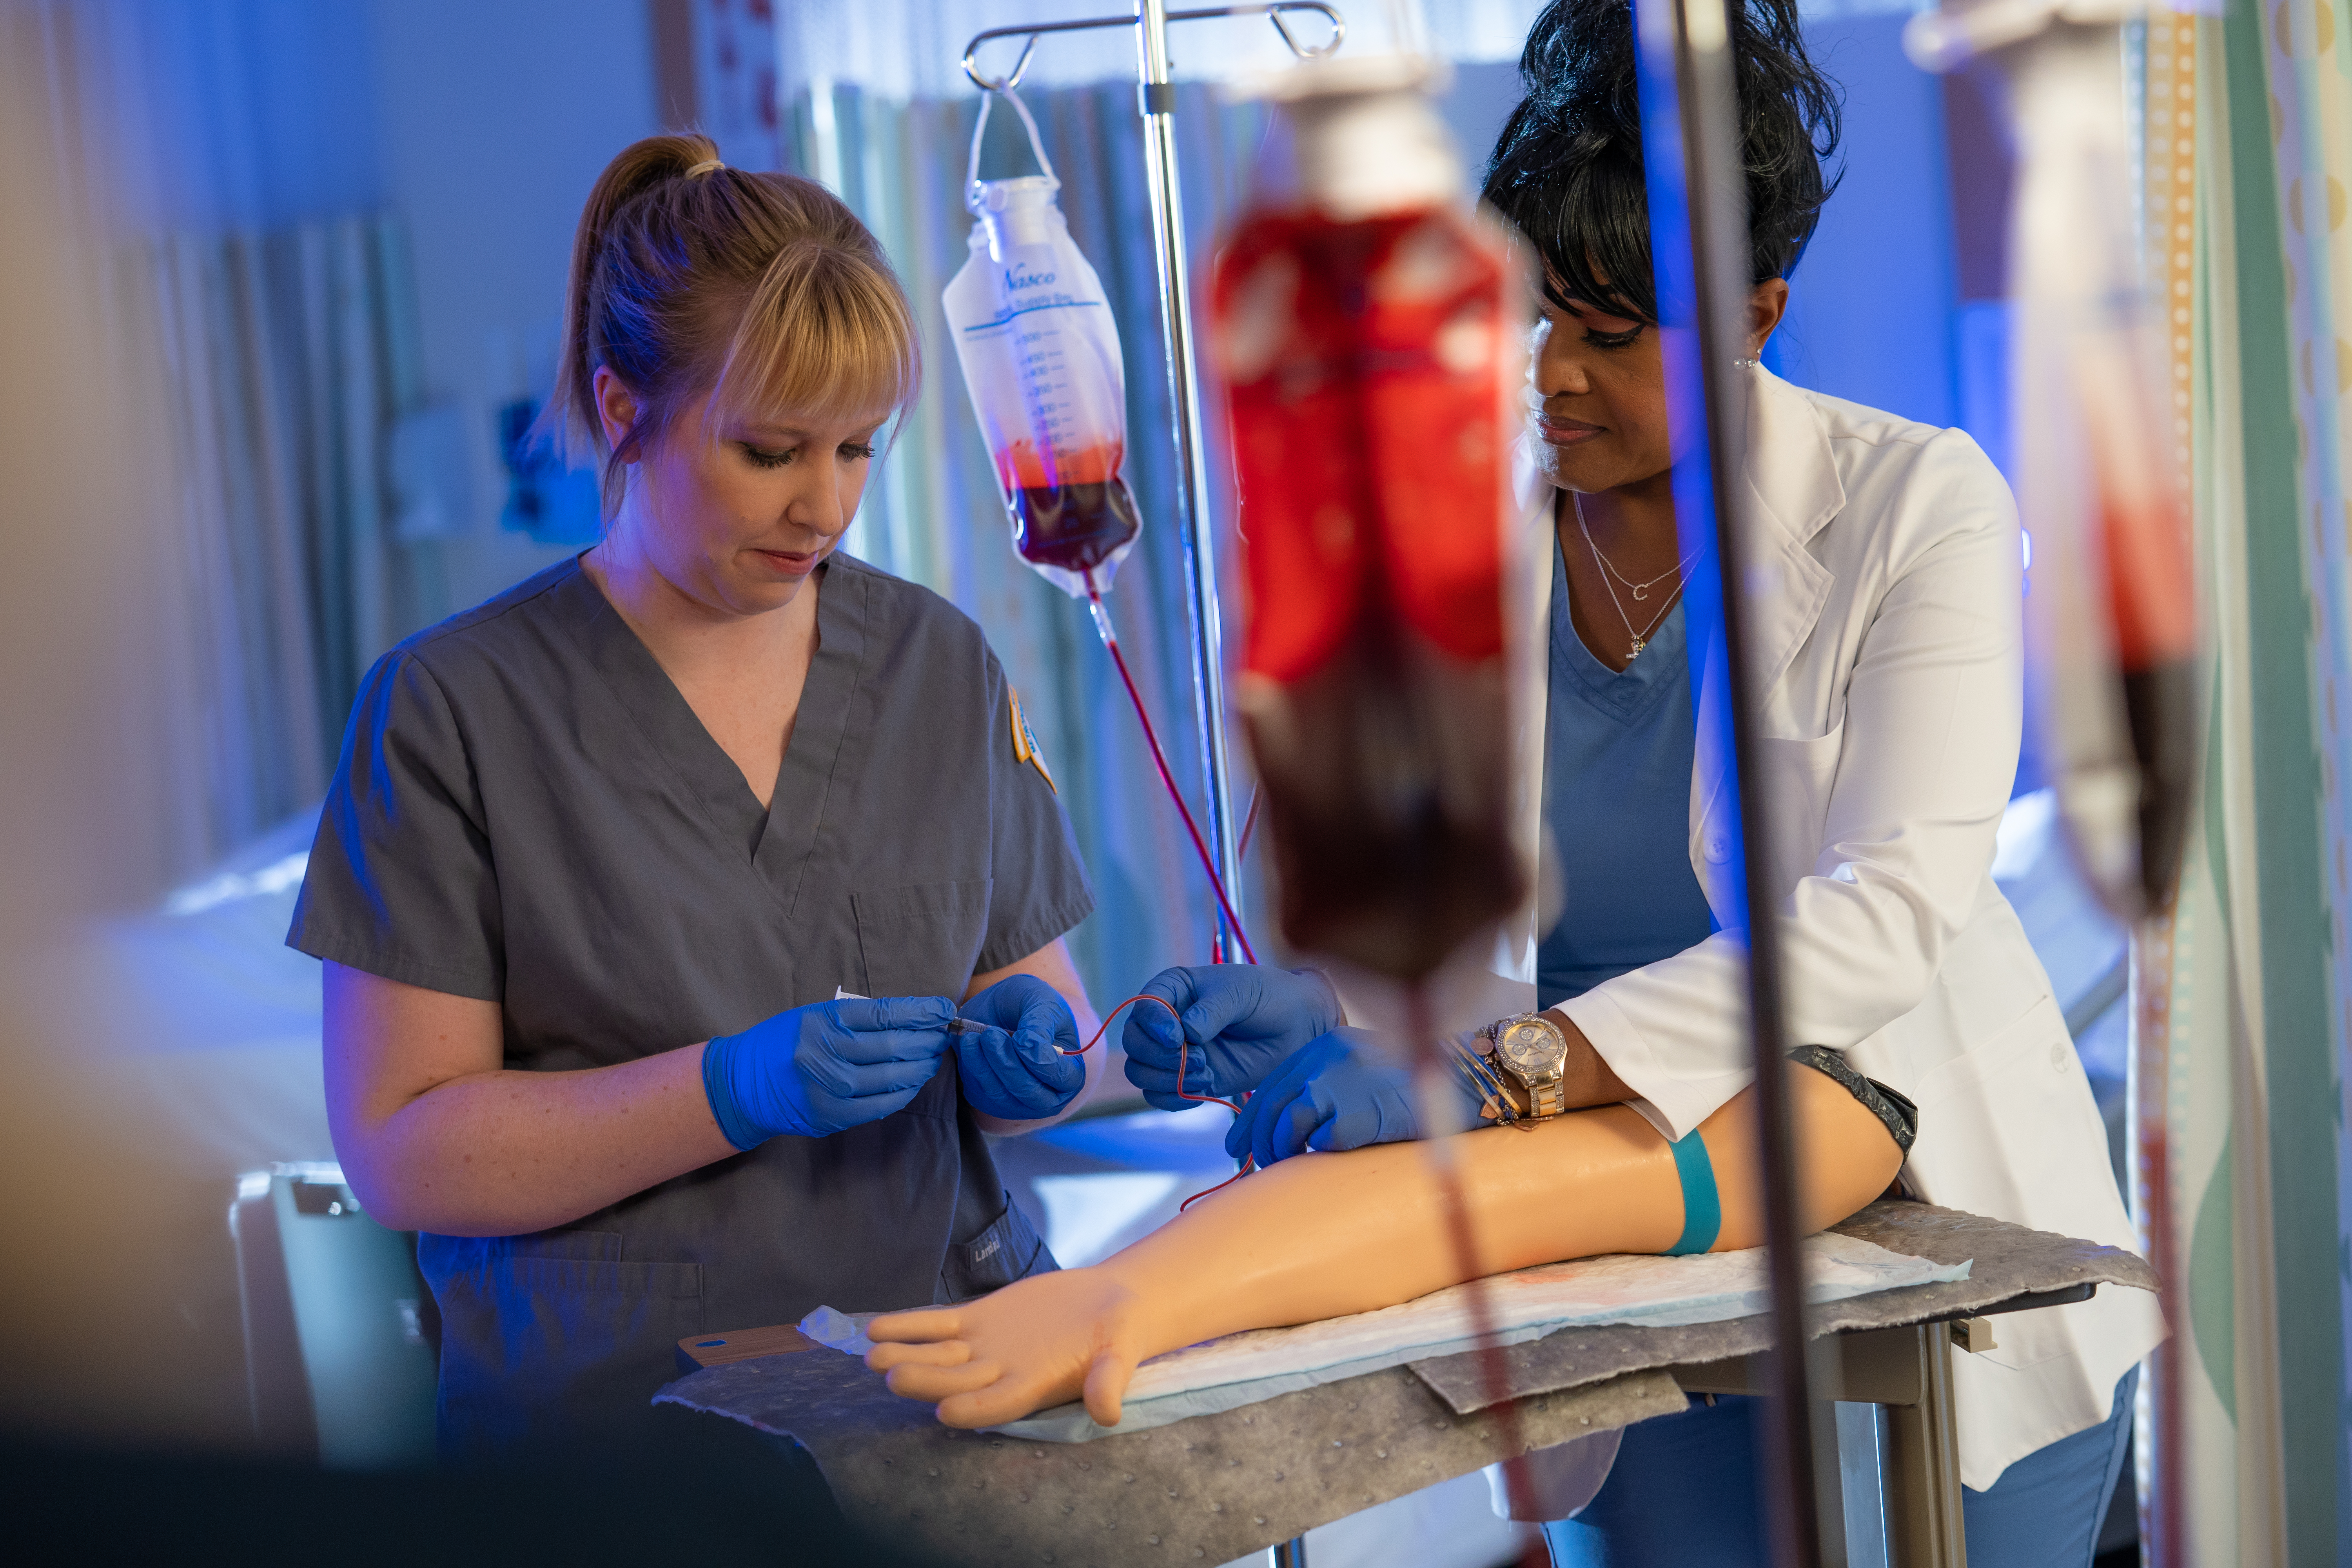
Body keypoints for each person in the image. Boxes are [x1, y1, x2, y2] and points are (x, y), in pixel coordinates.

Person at [889, 2, 2158, 1563]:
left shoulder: (1916, 504)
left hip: (1855, 1142)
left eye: (1609, 334)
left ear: (1753, 314)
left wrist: (1490, 1075)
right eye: (1533, 319)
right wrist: (1330, 1011)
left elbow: (1879, 922)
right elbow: (1414, 876)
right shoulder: (1464, 513)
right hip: (1607, 1268)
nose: (1551, 376)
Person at [288, 134, 1101, 1457]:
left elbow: (1040, 1030)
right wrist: (729, 1088)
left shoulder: (935, 662)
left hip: (953, 1373)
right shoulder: (452, 711)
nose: (823, 506)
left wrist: (1040, 1052)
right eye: (771, 450)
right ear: (622, 408)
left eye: (858, 451)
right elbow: (404, 1149)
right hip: (620, 1425)